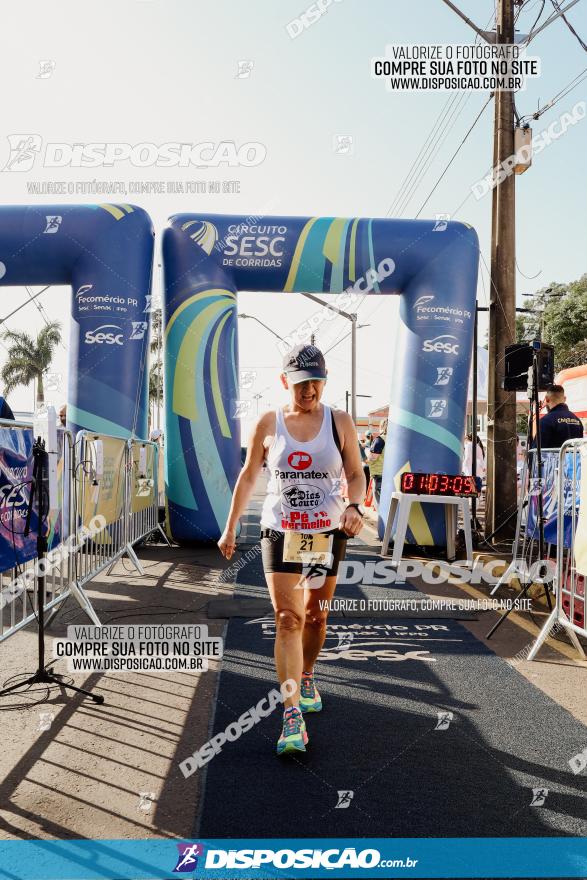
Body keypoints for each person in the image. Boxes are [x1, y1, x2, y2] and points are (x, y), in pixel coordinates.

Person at [218, 344, 365, 756]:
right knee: (288, 618)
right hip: (281, 530)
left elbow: (355, 473)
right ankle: (290, 715)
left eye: (316, 382)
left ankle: (307, 675)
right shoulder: (269, 422)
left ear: (325, 379)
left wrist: (354, 504)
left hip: (323, 535)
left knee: (316, 617)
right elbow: (248, 477)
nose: (309, 391)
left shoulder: (340, 422)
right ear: (285, 382)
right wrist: (230, 528)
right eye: (301, 383)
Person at [536, 384, 584, 449]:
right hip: (574, 458)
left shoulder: (545, 421)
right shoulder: (577, 420)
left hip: (553, 459)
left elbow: (536, 450)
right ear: (564, 399)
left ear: (547, 399)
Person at [367, 418, 387, 507]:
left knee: (380, 503)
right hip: (390, 474)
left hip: (379, 474)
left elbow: (373, 457)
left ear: (382, 426)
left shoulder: (380, 440)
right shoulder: (394, 440)